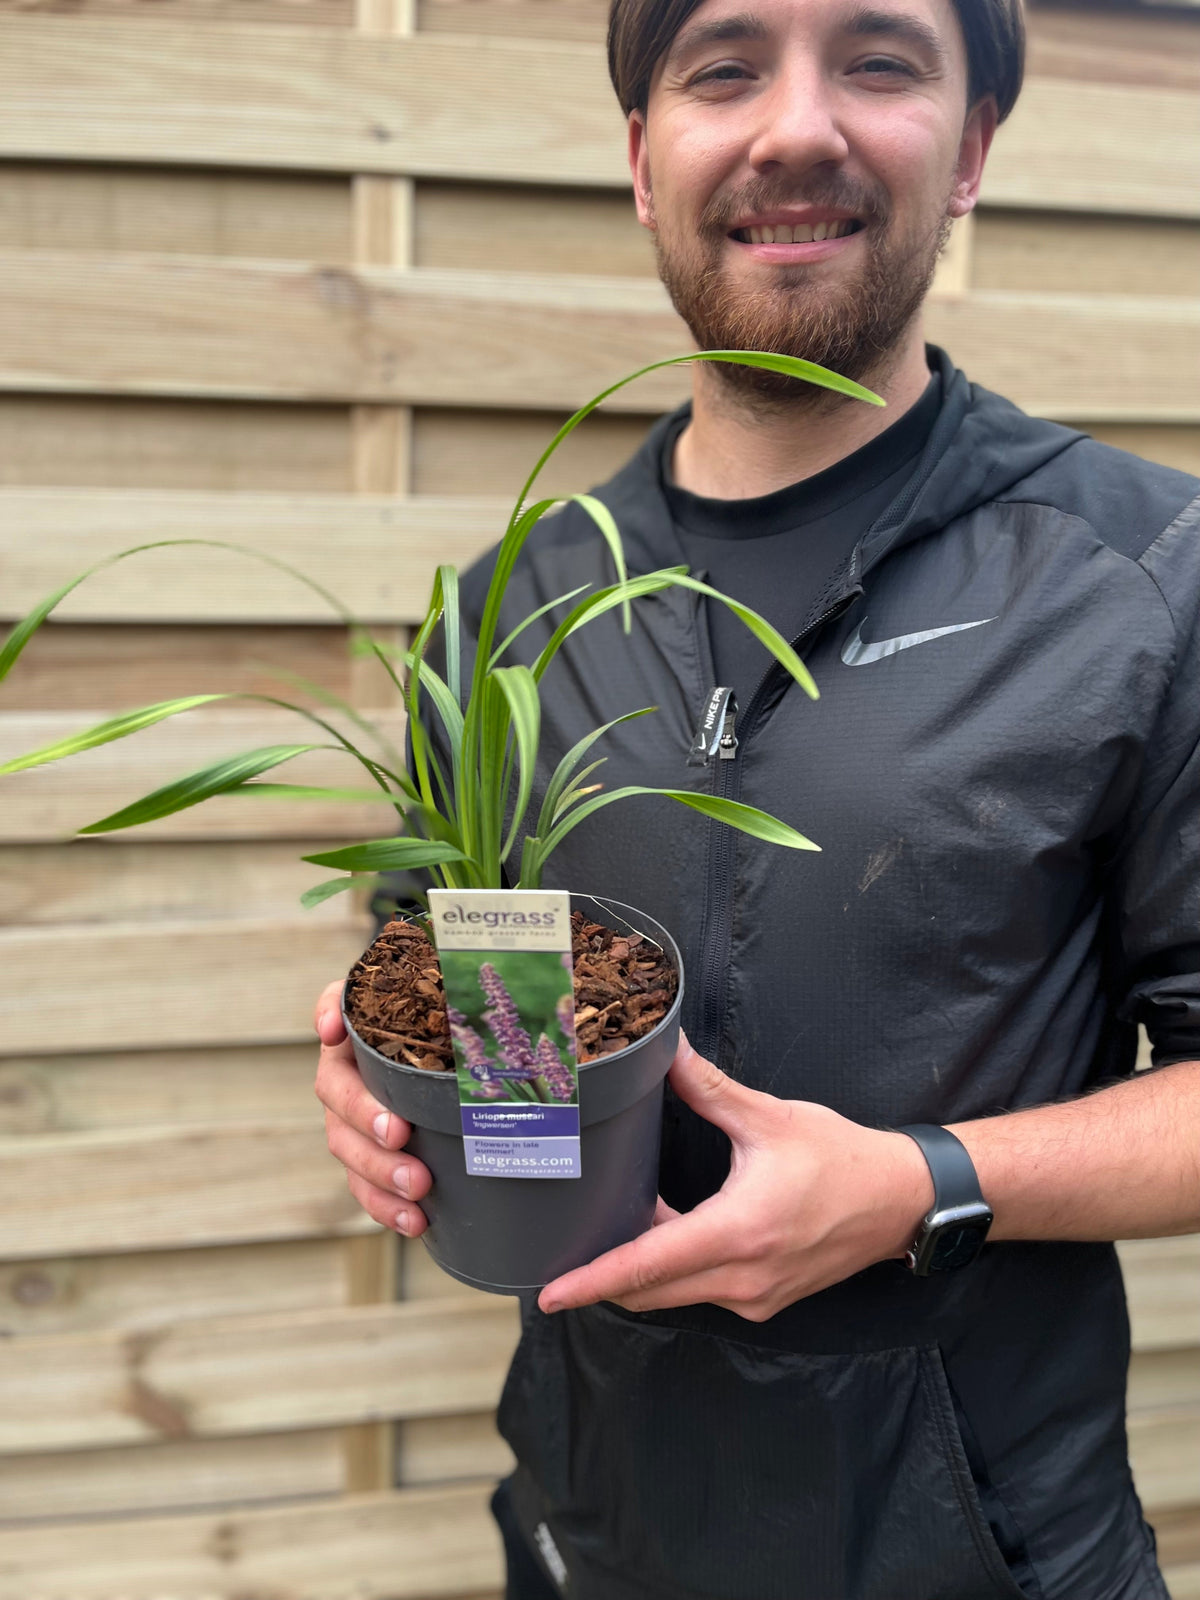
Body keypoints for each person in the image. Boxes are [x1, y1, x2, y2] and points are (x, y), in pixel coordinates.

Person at [314, 1, 1200, 1594]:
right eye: (724, 67)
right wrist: (405, 1109)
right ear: (645, 161)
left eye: (877, 59)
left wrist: (923, 1185)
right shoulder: (514, 607)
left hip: (991, 1555)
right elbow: (462, 978)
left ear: (975, 143)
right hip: (592, 1537)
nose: (797, 126)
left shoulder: (1141, 579)